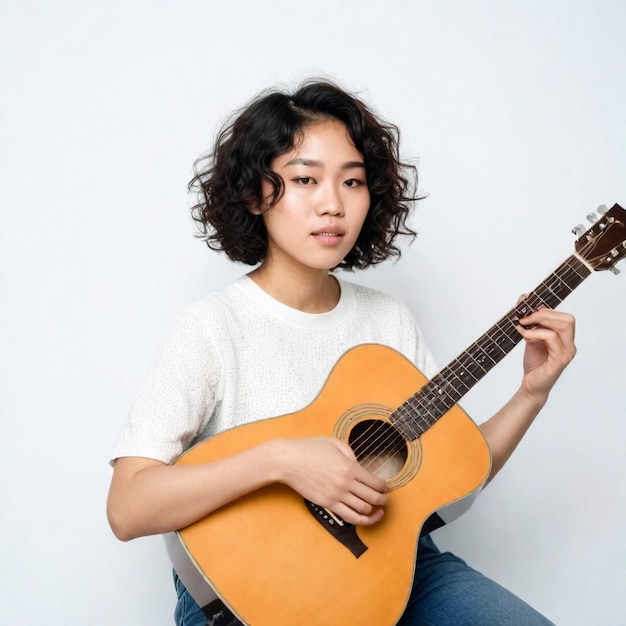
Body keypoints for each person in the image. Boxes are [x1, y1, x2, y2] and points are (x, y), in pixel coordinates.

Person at [107, 79, 576, 625]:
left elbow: (451, 472)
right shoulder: (213, 326)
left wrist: (530, 394)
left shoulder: (386, 319)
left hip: (396, 566)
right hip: (250, 593)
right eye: (305, 179)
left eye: (352, 181)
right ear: (258, 195)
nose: (332, 204)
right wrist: (281, 461)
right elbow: (128, 507)